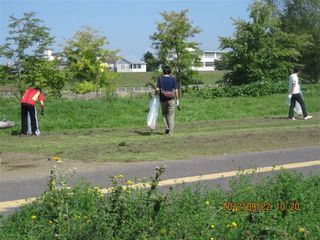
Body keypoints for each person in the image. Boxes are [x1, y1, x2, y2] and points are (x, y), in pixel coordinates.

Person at [155, 65, 179, 135]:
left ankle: (167, 127)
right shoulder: (173, 79)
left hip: (162, 99)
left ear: (163, 71)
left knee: (164, 114)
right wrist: (177, 100)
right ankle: (171, 132)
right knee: (171, 116)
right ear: (170, 72)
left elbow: (157, 89)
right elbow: (176, 90)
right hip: (171, 99)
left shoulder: (160, 79)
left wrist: (155, 93)